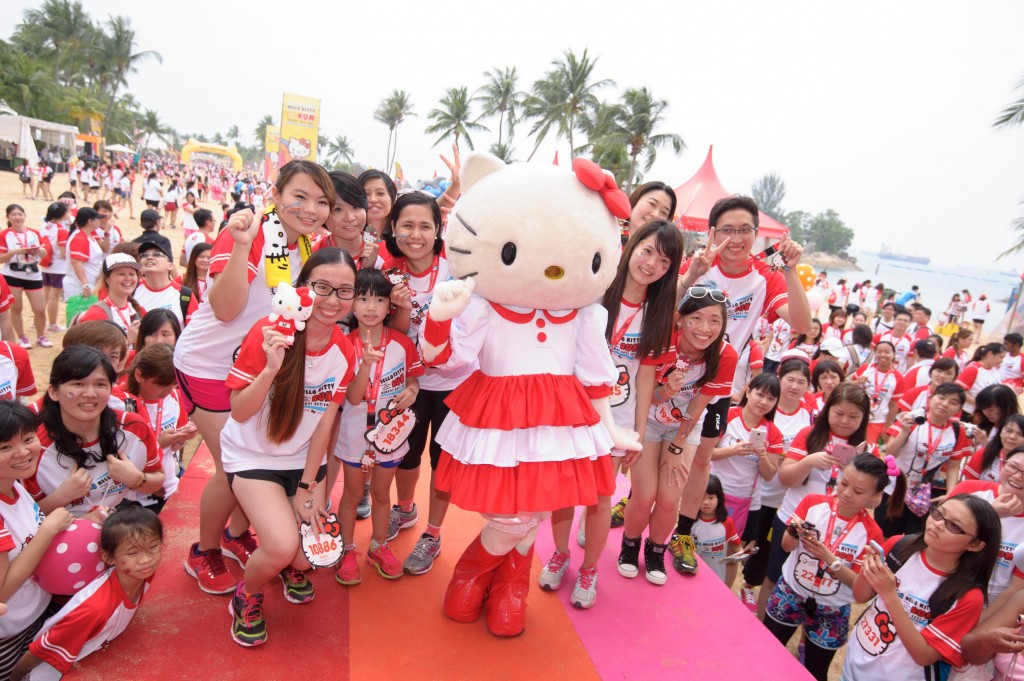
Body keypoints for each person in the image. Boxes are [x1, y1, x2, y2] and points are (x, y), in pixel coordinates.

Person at [175, 160, 336, 596]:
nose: (310, 208)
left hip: (258, 367)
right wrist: (244, 245)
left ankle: (236, 535)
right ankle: (204, 551)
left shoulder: (309, 243)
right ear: (276, 191)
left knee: (253, 461)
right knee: (234, 466)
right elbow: (226, 310)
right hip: (208, 367)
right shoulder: (251, 230)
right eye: (300, 196)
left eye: (321, 202)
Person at [222, 248, 357, 648]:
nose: (332, 300)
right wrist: (269, 369)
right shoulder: (269, 330)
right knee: (282, 547)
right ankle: (248, 594)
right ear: (302, 287)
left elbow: (324, 426)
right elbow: (240, 412)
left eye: (344, 291)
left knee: (307, 556)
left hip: (301, 462)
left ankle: (287, 566)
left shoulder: (344, 350)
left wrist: (308, 488)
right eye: (322, 287)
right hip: (251, 456)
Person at [545, 219, 682, 608]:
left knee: (601, 498)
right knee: (565, 492)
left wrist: (636, 435)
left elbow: (645, 379)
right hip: (572, 408)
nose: (652, 263)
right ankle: (560, 555)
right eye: (649, 250)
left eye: (665, 261)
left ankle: (589, 570)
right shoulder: (598, 288)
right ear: (632, 244)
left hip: (615, 422)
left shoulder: (659, 312)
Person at [674, 195, 811, 575]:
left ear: (757, 234)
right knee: (656, 445)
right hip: (676, 376)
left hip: (718, 384)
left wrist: (791, 271)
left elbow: (800, 323)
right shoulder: (698, 265)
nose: (736, 239)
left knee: (700, 459)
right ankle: (635, 500)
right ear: (712, 232)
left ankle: (683, 532)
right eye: (728, 230)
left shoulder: (764, 277)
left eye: (745, 230)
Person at [618, 287, 738, 584]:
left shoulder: (725, 355)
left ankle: (656, 549)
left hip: (685, 428)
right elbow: (648, 395)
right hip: (649, 419)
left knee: (670, 499)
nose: (704, 328)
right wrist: (666, 390)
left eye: (714, 321)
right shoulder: (663, 340)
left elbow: (698, 405)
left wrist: (677, 447)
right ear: (680, 319)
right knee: (644, 495)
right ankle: (630, 544)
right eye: (696, 318)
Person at [382, 192, 468, 577]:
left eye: (425, 226)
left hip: (456, 383)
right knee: (406, 454)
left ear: (438, 231)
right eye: (407, 225)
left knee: (442, 461)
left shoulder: (459, 269)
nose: (415, 235)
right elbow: (395, 335)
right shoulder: (387, 271)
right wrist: (400, 307)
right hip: (409, 383)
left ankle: (432, 534)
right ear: (394, 228)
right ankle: (405, 510)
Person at [764, 454, 900, 681]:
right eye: (844, 483)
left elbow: (859, 587)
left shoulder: (872, 532)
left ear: (875, 496)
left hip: (832, 608)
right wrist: (793, 532)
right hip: (790, 592)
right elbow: (786, 547)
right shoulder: (813, 503)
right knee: (766, 651)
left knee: (816, 671)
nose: (846, 493)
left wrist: (830, 559)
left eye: (858, 491)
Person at [844, 495, 1000, 679]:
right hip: (854, 663)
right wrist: (868, 568)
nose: (938, 524)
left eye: (954, 526)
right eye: (938, 514)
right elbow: (861, 596)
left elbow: (924, 655)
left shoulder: (968, 597)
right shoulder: (899, 545)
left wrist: (890, 595)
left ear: (975, 545)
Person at [334, 268, 422, 584]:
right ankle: (347, 550)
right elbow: (354, 397)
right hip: (354, 433)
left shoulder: (401, 343)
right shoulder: (344, 345)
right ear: (352, 305)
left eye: (379, 299)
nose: (371, 307)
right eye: (363, 298)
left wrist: (411, 391)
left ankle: (379, 545)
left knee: (383, 495)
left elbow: (413, 379)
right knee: (353, 495)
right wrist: (366, 364)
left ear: (390, 307)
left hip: (391, 434)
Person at [11, 506, 163, 681]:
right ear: (108, 558)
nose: (146, 559)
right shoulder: (94, 609)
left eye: (153, 546)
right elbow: (38, 653)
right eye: (132, 553)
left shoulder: (143, 573)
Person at [26, 346, 164, 515]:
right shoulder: (34, 446)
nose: (90, 394)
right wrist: (62, 496)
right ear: (54, 392)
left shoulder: (133, 427)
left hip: (121, 528)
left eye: (100, 384)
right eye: (78, 384)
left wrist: (137, 479)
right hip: (62, 534)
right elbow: (25, 518)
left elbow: (158, 478)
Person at [0, 401, 73, 681]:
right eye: (5, 447)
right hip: (8, 634)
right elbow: (2, 591)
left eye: (28, 439)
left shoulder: (15, 483)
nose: (22, 452)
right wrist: (48, 531)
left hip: (35, 616)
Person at [742, 355, 813, 615]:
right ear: (780, 378)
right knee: (750, 539)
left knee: (767, 549)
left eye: (801, 382)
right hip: (756, 489)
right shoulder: (764, 406)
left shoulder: (809, 415)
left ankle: (750, 584)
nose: (794, 386)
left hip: (785, 497)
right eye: (790, 380)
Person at [880, 383, 973, 537]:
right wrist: (904, 431)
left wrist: (950, 493)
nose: (945, 404)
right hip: (894, 488)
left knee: (915, 538)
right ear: (931, 398)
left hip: (924, 494)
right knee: (886, 535)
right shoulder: (913, 419)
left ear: (959, 409)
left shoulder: (957, 431)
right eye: (941, 398)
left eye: (953, 402)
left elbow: (953, 466)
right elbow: (890, 452)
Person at [124, 343, 195, 514]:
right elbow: (122, 458)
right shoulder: (125, 404)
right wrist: (158, 443)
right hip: (133, 497)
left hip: (169, 487)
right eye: (162, 384)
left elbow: (174, 449)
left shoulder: (175, 397)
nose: (168, 390)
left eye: (173, 384)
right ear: (139, 375)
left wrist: (181, 438)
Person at [1, 205, 49, 349]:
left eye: (20, 214)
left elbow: (44, 252)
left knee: (40, 309)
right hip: (12, 274)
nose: (17, 217)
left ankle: (41, 336)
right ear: (8, 217)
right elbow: (1, 259)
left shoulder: (34, 233)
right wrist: (15, 252)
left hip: (33, 273)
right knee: (16, 308)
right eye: (13, 215)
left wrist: (40, 251)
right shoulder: (4, 235)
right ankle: (22, 337)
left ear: (25, 215)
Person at [76, 254, 144, 348]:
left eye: (132, 274)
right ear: (107, 278)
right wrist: (128, 340)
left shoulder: (136, 309)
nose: (128, 278)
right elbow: (90, 354)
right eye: (121, 274)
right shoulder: (97, 313)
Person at [315, 172, 378, 270]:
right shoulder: (314, 255)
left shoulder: (384, 251)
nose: (350, 217)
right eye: (338, 209)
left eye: (356, 206)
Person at [692, 474, 742, 586]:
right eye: (701, 497)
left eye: (710, 497)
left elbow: (735, 546)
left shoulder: (727, 523)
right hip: (692, 574)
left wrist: (742, 554)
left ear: (719, 497)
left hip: (717, 577)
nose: (706, 502)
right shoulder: (690, 521)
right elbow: (675, 541)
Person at [133, 242, 197, 327]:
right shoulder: (131, 291)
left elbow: (194, 330)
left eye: (157, 254)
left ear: (170, 266)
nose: (149, 257)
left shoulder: (184, 294)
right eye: (144, 255)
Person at [852, 340, 905, 443]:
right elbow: (847, 386)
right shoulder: (865, 369)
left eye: (887, 352)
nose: (883, 355)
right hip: (857, 416)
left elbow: (894, 405)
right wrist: (858, 381)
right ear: (875, 353)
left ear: (894, 354)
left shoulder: (898, 378)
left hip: (877, 421)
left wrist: (887, 426)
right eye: (879, 351)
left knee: (866, 450)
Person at [962, 414, 1024, 482]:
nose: (1012, 437)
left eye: (1020, 434)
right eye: (1009, 431)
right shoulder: (985, 453)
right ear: (1000, 432)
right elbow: (968, 483)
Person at [63, 208, 104, 308]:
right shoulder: (80, 238)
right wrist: (85, 285)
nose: (100, 221)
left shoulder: (88, 236)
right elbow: (76, 262)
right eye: (97, 219)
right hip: (78, 285)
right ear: (90, 221)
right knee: (79, 317)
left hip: (88, 284)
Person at [38, 202, 69, 334]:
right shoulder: (61, 230)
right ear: (63, 214)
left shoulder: (44, 226)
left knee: (46, 295)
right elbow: (63, 253)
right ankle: (52, 324)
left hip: (46, 265)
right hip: (58, 267)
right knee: (54, 297)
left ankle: (38, 320)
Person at [957, 343, 1007, 417]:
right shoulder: (973, 369)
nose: (1002, 361)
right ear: (990, 354)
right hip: (968, 413)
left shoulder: (994, 370)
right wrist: (979, 404)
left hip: (983, 414)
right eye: (1001, 357)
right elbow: (959, 390)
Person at [874, 307, 914, 373]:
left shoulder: (912, 342)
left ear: (910, 323)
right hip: (877, 373)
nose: (902, 322)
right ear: (894, 320)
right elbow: (872, 356)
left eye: (905, 321)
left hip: (897, 375)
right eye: (899, 319)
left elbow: (909, 365)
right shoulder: (880, 336)